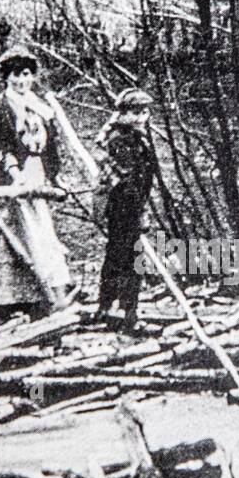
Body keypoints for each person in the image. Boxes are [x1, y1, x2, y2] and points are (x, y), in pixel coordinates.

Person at [0, 45, 72, 316]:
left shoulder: (41, 108)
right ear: (5, 78)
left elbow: (50, 147)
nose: (21, 81)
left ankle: (44, 292)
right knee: (8, 232)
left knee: (40, 232)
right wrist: (15, 174)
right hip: (5, 175)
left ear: (32, 76)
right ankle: (4, 299)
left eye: (25, 74)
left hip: (34, 172)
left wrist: (55, 177)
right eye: (14, 75)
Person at [95, 88, 157, 332]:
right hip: (123, 207)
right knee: (126, 260)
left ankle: (117, 309)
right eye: (135, 112)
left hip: (130, 205)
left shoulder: (135, 135)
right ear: (122, 113)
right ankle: (121, 312)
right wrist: (139, 212)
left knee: (123, 258)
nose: (141, 117)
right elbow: (127, 179)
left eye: (144, 111)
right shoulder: (120, 139)